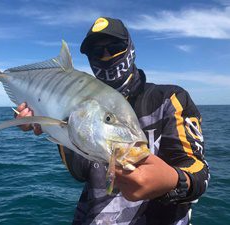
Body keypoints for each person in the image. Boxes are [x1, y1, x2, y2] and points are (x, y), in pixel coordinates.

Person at [15, 17, 209, 225]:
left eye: (114, 47)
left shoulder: (169, 99)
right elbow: (80, 173)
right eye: (97, 52)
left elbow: (199, 171)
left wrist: (173, 180)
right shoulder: (80, 102)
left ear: (130, 48)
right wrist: (51, 126)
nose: (106, 56)